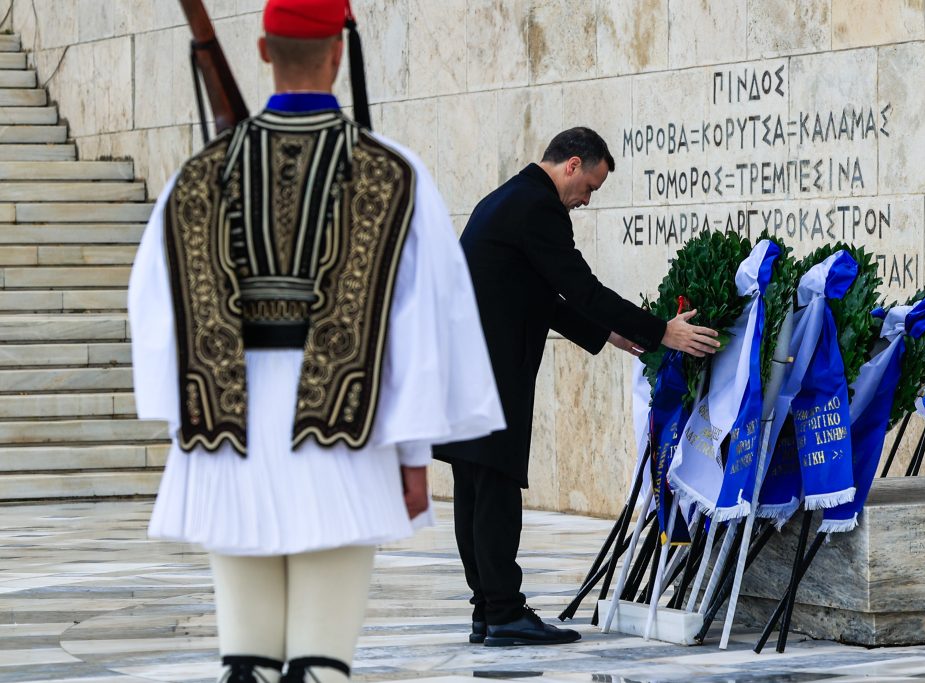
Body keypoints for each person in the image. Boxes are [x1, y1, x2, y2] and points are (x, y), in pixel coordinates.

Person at [128, 1, 504, 681]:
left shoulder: (198, 174)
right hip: (344, 435)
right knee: (320, 666)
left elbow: (157, 309)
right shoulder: (393, 172)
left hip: (226, 436)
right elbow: (422, 325)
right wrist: (412, 451)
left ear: (263, 51)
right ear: (338, 52)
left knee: (247, 664)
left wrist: (188, 423)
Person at [434, 127, 720, 647]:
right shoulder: (538, 208)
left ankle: (487, 609)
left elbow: (541, 296)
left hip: (465, 365)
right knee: (495, 486)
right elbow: (581, 288)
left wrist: (611, 334)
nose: (586, 200)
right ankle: (503, 613)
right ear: (571, 164)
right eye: (589, 186)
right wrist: (661, 331)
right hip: (491, 368)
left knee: (475, 487)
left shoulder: (507, 199)